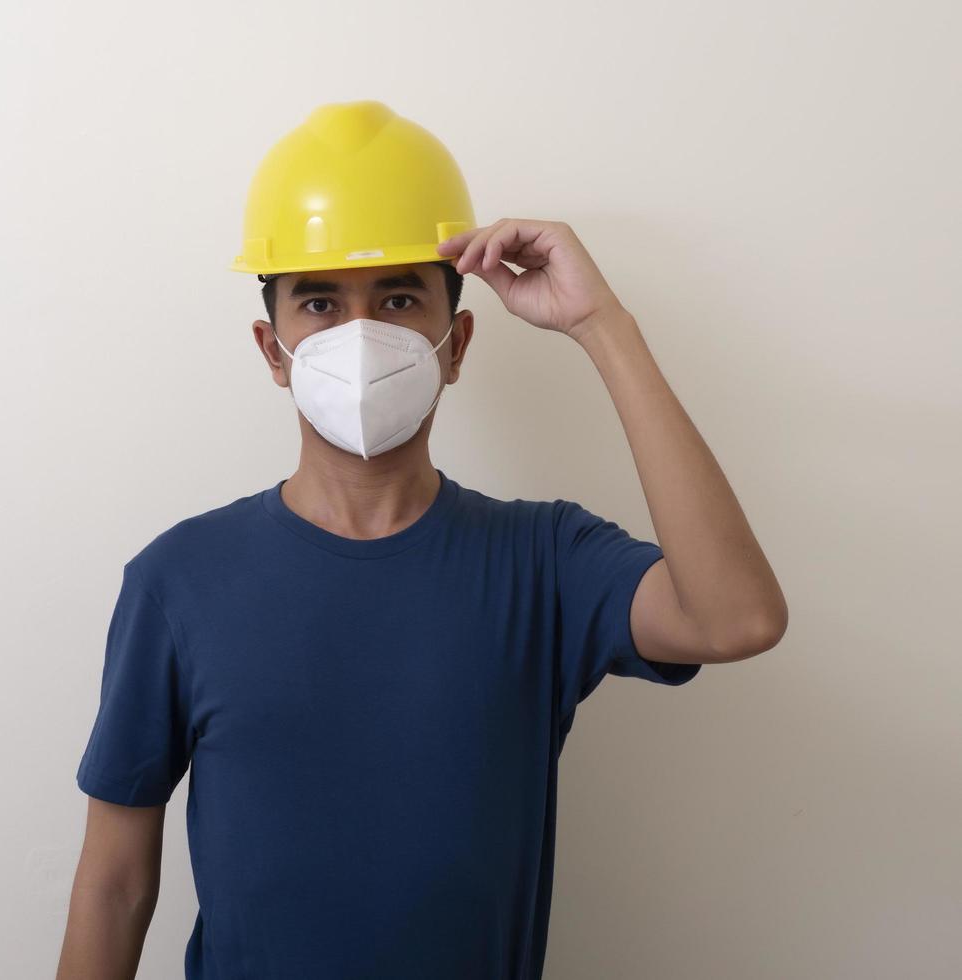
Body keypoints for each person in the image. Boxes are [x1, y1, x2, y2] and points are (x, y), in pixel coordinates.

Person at [56, 101, 787, 980]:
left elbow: (734, 619)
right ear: (272, 348)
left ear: (456, 340)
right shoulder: (179, 580)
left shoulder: (542, 561)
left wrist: (602, 325)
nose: (358, 336)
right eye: (318, 302)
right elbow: (114, 885)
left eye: (398, 297)